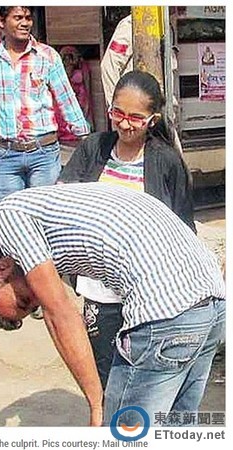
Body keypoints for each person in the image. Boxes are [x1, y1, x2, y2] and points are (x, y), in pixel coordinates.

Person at [0, 183, 225, 427]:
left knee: (123, 433)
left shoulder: (8, 215)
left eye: (24, 299)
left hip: (167, 308)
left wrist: (97, 403)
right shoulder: (50, 209)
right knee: (176, 429)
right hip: (211, 302)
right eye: (32, 307)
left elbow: (60, 315)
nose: (37, 299)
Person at [58, 70, 196, 388]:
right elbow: (63, 201)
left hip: (148, 292)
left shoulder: (166, 162)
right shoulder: (94, 148)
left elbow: (183, 228)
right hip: (99, 288)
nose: (124, 123)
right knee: (106, 374)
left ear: (152, 119)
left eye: (135, 117)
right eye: (117, 113)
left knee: (144, 377)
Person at [0, 6, 90, 207]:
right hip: (6, 155)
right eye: (18, 18)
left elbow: (67, 101)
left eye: (28, 18)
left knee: (45, 213)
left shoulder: (47, 56)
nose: (25, 23)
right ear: (1, 21)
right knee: (8, 214)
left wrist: (88, 142)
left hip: (44, 153)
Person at [101, 13, 183, 153]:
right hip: (137, 119)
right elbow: (109, 66)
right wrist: (119, 109)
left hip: (161, 114)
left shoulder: (165, 24)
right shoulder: (132, 23)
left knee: (173, 160)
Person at [57, 45, 94, 142]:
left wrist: (87, 99)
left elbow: (87, 83)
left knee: (83, 113)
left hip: (81, 95)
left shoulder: (83, 68)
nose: (68, 61)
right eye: (65, 58)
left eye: (70, 58)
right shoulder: (60, 69)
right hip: (68, 96)